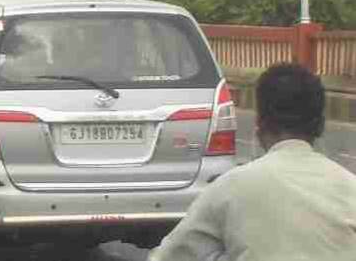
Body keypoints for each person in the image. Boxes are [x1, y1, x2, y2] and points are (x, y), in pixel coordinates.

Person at [150, 62, 356, 260]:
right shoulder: (349, 187)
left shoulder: (230, 188)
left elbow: (169, 255)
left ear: (259, 124)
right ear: (320, 125)